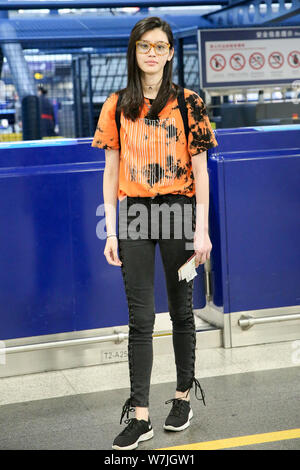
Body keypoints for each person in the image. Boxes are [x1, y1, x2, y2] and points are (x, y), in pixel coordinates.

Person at [91, 16, 218, 451]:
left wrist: (202, 231)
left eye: (159, 46)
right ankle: (140, 415)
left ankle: (183, 396)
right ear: (135, 52)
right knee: (140, 318)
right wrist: (111, 229)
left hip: (179, 209)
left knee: (182, 310)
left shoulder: (188, 103)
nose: (151, 53)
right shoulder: (116, 105)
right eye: (144, 46)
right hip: (135, 215)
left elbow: (201, 172)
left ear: (169, 53)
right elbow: (110, 171)